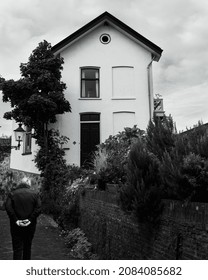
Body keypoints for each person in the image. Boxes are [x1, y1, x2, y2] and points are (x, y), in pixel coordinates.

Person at [5, 177, 41, 260]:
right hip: (30, 226)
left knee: (17, 248)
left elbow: (8, 207)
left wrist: (16, 220)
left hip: (16, 226)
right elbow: (38, 208)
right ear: (28, 184)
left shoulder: (12, 194)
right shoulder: (35, 194)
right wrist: (30, 220)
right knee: (27, 248)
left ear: (20, 183)